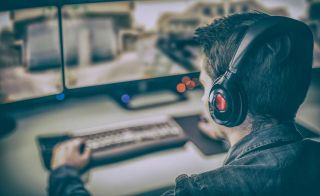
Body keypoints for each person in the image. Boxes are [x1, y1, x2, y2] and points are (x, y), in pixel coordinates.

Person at [48, 12, 320, 196]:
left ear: (221, 102)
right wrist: (233, 133)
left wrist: (65, 173)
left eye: (204, 86)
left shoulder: (202, 190)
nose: (203, 99)